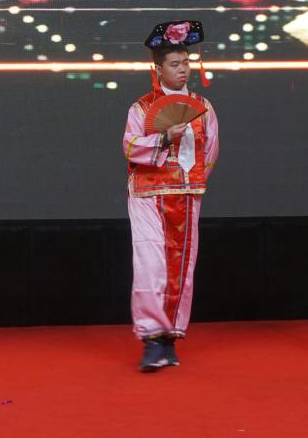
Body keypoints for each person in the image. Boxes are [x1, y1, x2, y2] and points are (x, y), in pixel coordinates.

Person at [122, 20, 219, 372]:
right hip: (148, 195)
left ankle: (170, 338)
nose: (183, 70)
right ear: (158, 69)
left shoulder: (203, 107)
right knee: (151, 265)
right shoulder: (141, 107)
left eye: (186, 63)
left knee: (182, 266)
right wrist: (164, 138)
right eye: (175, 64)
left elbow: (210, 152)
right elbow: (130, 147)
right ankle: (151, 338)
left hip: (187, 195)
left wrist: (191, 180)